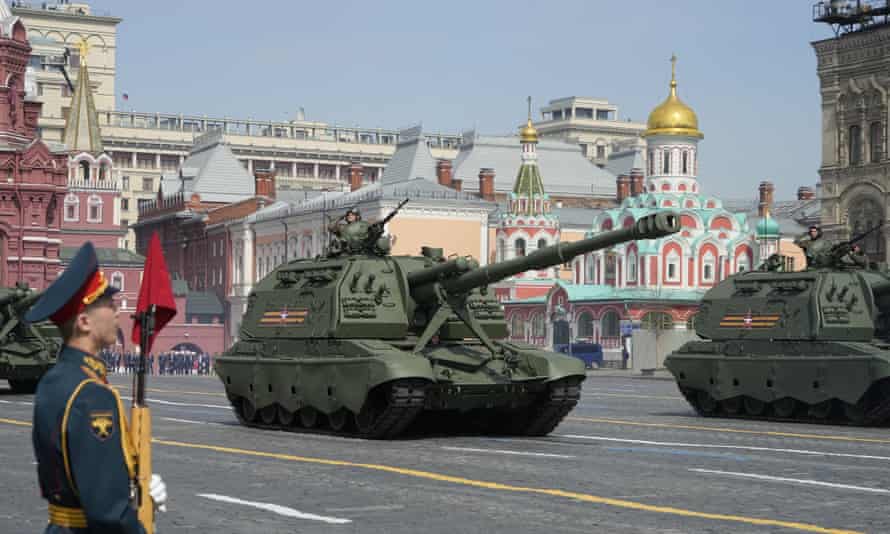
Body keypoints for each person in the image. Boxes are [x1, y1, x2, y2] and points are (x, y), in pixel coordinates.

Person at [28, 242, 167, 533]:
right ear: (84, 322)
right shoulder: (92, 395)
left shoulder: (53, 381)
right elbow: (108, 513)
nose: (117, 312)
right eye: (107, 305)